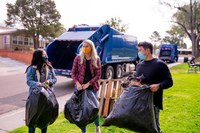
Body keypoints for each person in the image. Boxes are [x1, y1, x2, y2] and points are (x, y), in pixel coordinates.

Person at [135, 41, 173, 133]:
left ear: (147, 50)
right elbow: (138, 80)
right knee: (141, 127)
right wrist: (135, 83)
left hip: (153, 102)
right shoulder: (139, 65)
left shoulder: (160, 64)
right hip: (140, 102)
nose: (138, 53)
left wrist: (159, 85)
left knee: (154, 128)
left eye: (140, 50)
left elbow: (169, 82)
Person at [71, 39, 101, 133]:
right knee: (82, 111)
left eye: (87, 46)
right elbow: (73, 73)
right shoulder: (78, 58)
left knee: (94, 109)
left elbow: (98, 75)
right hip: (80, 89)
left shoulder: (96, 59)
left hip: (92, 88)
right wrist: (77, 83)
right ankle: (83, 130)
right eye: (83, 46)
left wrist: (88, 84)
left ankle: (97, 127)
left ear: (91, 47)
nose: (85, 48)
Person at [25, 49, 57, 133]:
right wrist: (38, 84)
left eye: (46, 54)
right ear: (39, 56)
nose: (46, 56)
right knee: (33, 120)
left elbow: (54, 79)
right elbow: (29, 81)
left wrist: (49, 82)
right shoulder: (32, 68)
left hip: (47, 98)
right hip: (35, 98)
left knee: (44, 120)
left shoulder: (49, 67)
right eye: (44, 54)